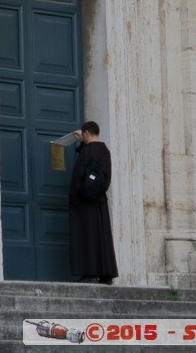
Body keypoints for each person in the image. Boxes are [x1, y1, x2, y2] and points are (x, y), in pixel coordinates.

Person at [69, 120, 118, 284]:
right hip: (99, 201)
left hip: (85, 203)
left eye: (83, 135)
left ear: (86, 133)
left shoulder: (87, 152)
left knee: (87, 237)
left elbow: (79, 176)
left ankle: (89, 272)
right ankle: (105, 273)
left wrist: (74, 198)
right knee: (101, 237)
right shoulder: (105, 151)